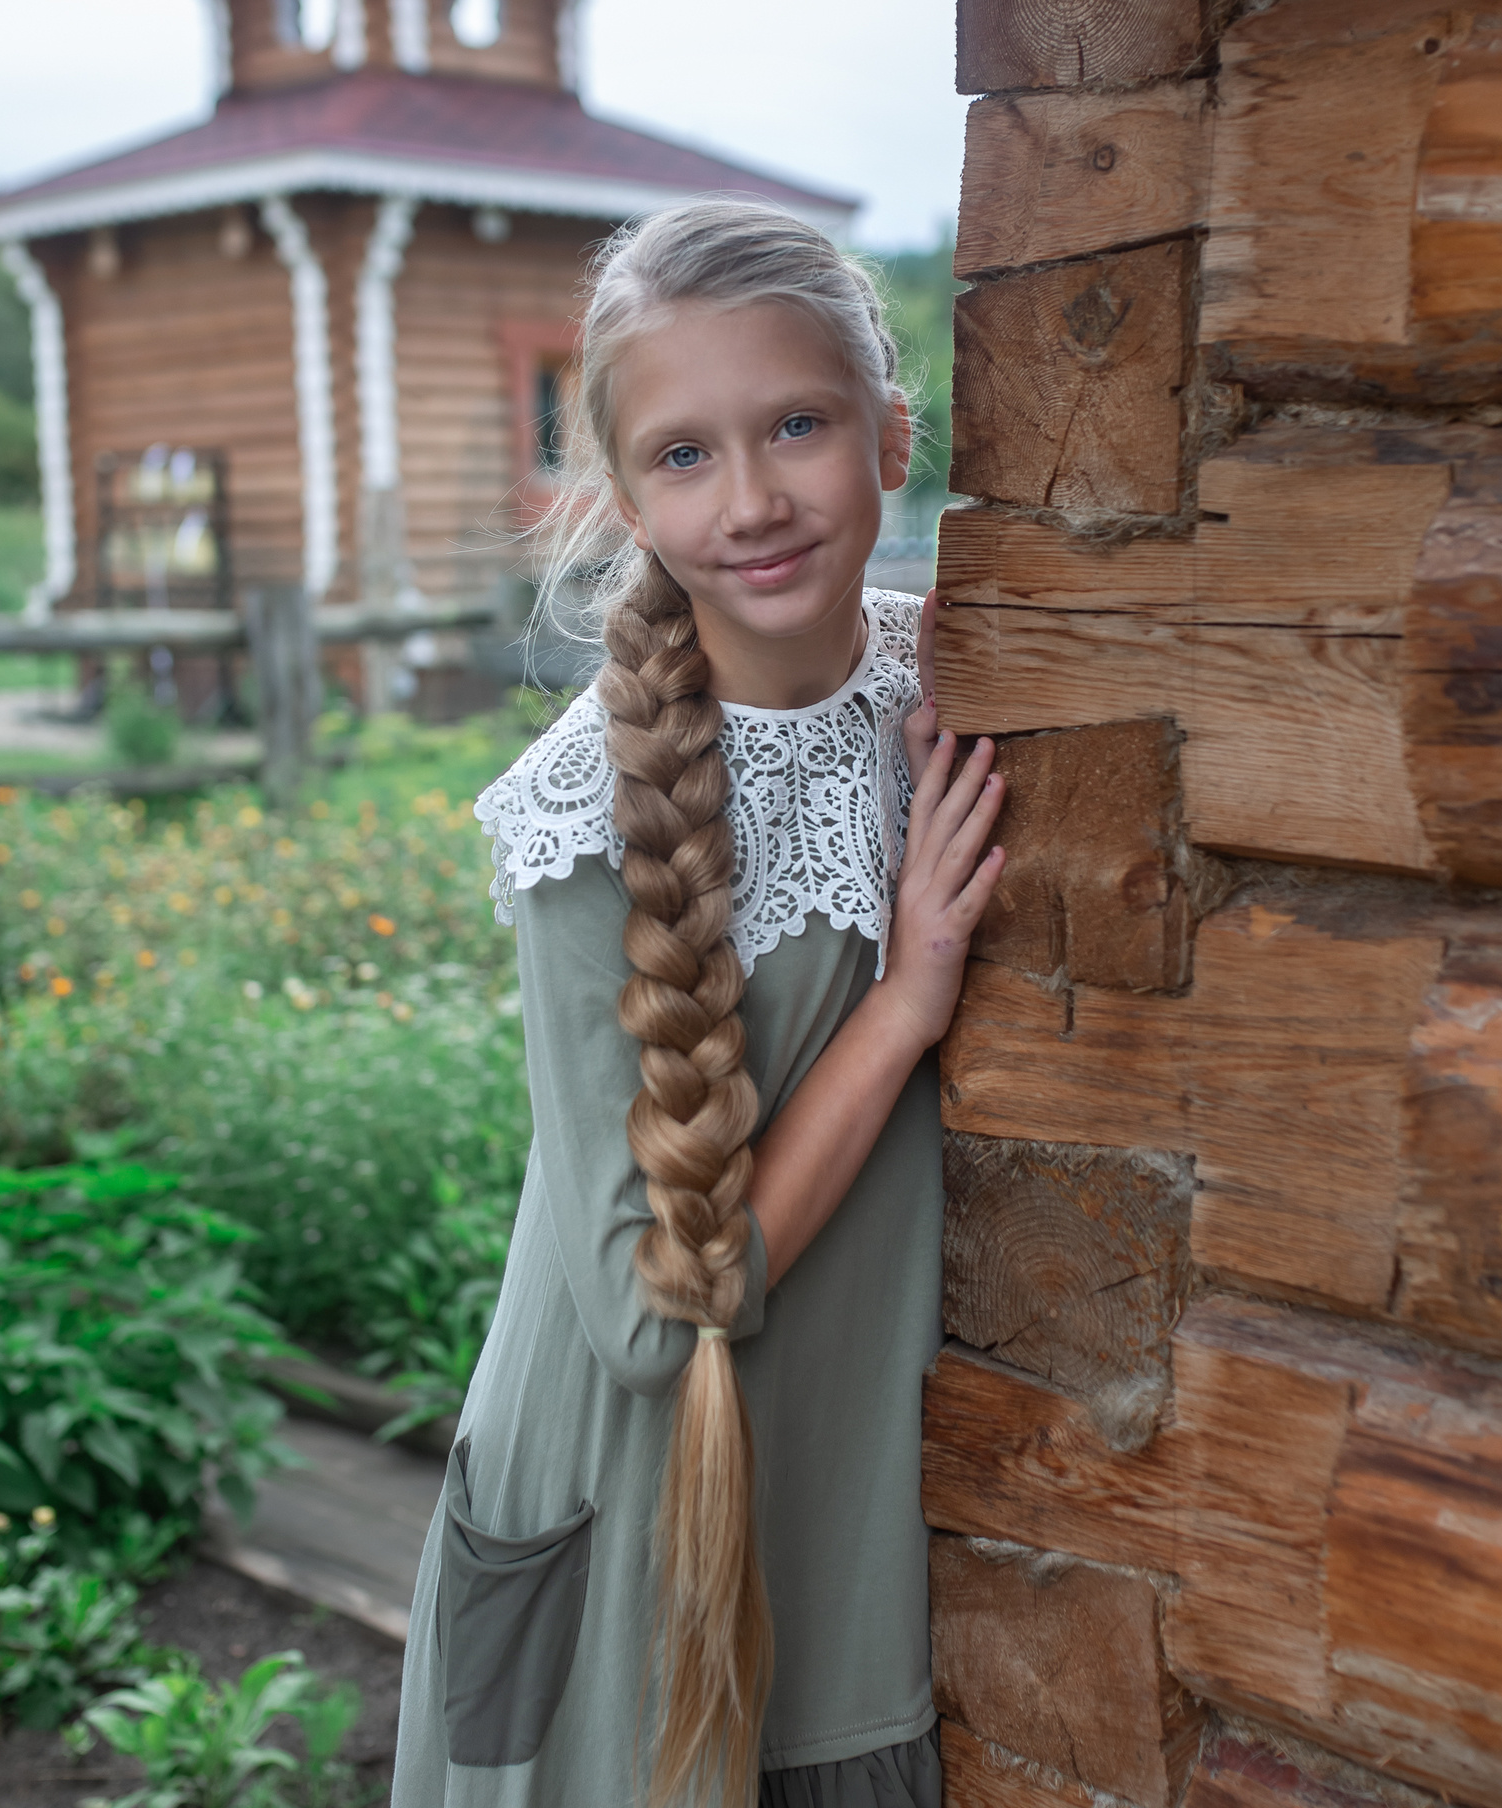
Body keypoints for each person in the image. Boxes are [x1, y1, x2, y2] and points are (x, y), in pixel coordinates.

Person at [390, 200, 1005, 1808]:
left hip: (855, 1497)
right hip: (640, 1523)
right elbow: (655, 1316)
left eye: (797, 424)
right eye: (682, 456)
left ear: (894, 433)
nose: (751, 500)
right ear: (619, 498)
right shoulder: (588, 816)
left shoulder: (946, 670)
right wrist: (905, 999)